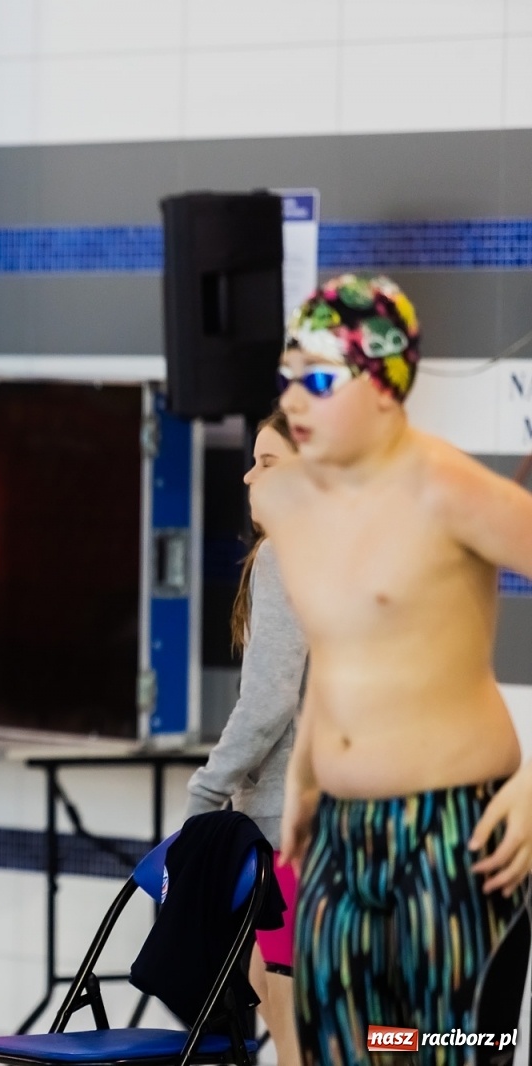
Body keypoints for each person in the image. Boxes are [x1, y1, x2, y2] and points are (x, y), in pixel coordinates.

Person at [263, 275, 532, 1063]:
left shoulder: (450, 491)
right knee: (348, 1049)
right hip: (342, 839)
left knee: (447, 1049)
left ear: (385, 386)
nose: (296, 401)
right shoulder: (289, 503)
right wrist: (305, 779)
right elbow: (338, 649)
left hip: (454, 837)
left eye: (318, 380)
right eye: (288, 378)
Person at [185, 409, 303, 1066]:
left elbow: (267, 702)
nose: (248, 474)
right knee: (266, 992)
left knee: (293, 1040)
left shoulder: (288, 554)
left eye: (269, 462)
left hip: (291, 836)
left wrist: (206, 791)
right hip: (341, 830)